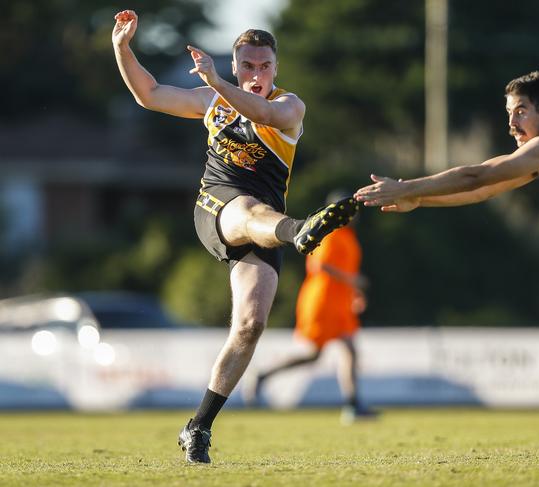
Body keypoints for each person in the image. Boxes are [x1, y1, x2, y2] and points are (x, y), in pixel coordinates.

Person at [355, 71, 539, 462]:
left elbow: (479, 174)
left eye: (521, 111)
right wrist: (419, 201)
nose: (511, 123)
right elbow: (484, 187)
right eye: (509, 113)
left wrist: (408, 187)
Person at [112, 10, 358, 463]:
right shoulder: (212, 101)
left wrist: (218, 83)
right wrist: (122, 48)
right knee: (249, 210)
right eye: (247, 65)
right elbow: (149, 94)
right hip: (219, 209)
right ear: (235, 65)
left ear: (276, 68)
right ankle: (299, 230)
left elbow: (261, 112)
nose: (257, 74)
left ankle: (198, 427)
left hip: (265, 227)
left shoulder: (291, 107)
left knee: (250, 324)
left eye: (265, 66)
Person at [244, 191, 376, 424]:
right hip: (323, 301)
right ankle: (352, 405)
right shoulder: (331, 233)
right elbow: (319, 265)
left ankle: (353, 404)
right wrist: (353, 281)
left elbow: (343, 268)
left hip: (339, 302)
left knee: (330, 353)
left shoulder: (348, 236)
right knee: (330, 352)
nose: (353, 215)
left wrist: (353, 292)